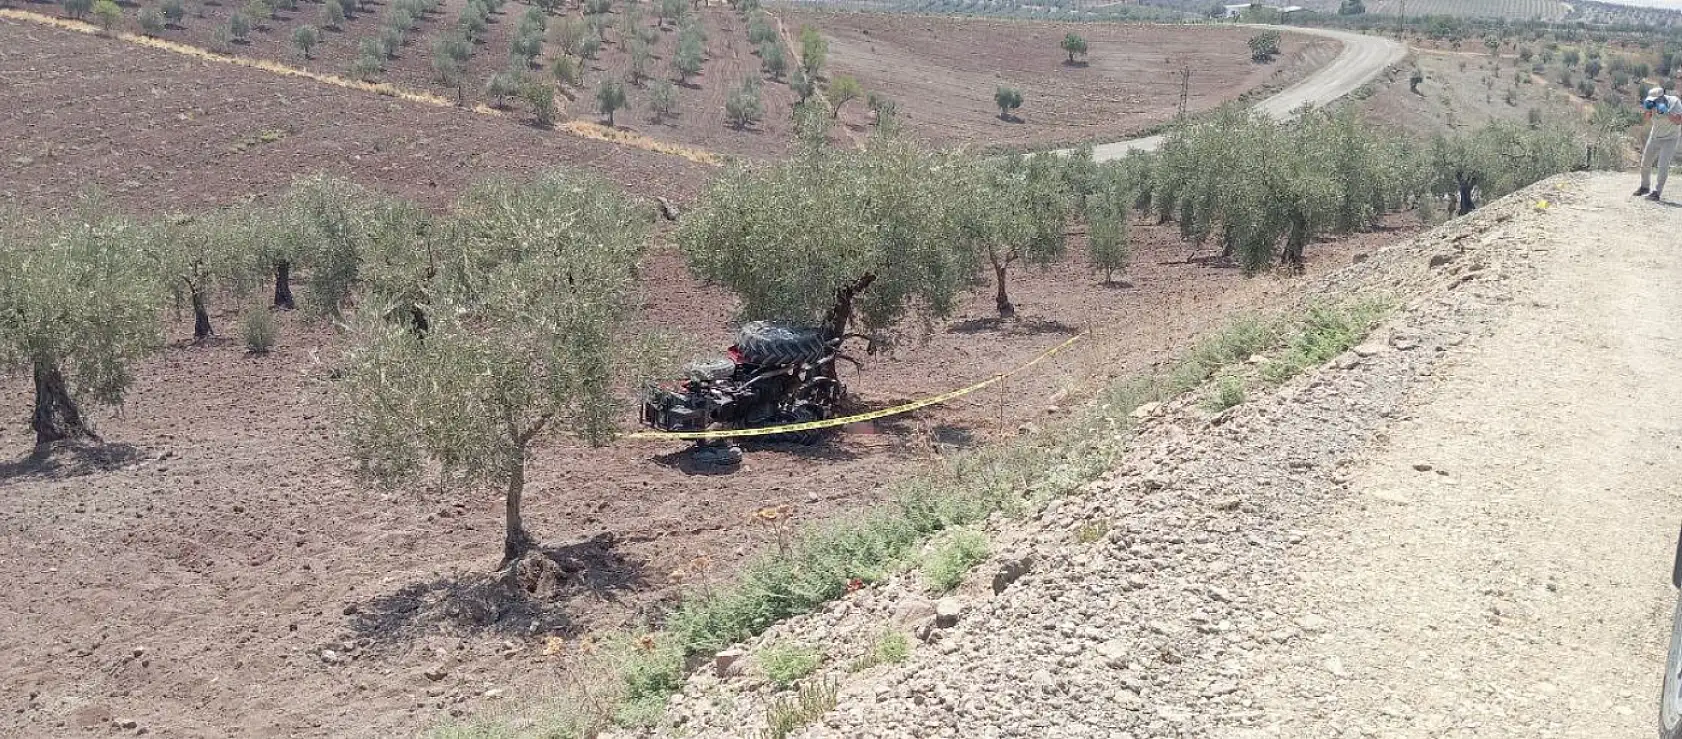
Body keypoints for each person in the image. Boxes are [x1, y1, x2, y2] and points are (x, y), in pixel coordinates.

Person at [1636, 86, 1682, 202]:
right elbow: (1645, 120)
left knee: (1663, 165)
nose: (1654, 102)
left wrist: (1667, 112)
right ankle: (1644, 187)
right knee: (1645, 162)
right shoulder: (1651, 103)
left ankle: (1657, 192)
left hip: (1670, 138)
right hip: (1655, 136)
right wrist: (1647, 110)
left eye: (1656, 100)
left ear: (1662, 97)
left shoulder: (1674, 102)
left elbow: (1679, 121)